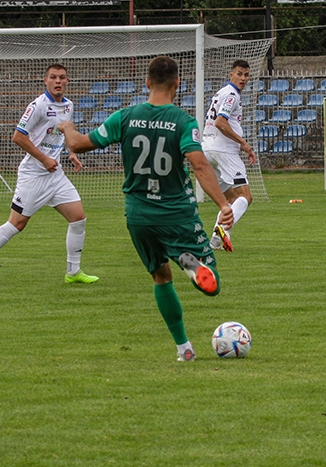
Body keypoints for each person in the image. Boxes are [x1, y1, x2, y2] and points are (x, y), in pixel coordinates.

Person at [58, 55, 234, 362]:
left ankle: (184, 349)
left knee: (160, 276)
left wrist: (67, 127)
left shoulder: (125, 117)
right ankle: (191, 264)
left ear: (146, 82)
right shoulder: (182, 121)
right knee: (213, 286)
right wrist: (222, 203)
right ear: (177, 84)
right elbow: (199, 164)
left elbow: (79, 144)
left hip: (138, 215)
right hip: (176, 213)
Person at [0, 64, 98, 287]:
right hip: (34, 175)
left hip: (55, 175)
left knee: (78, 218)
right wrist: (44, 159)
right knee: (16, 224)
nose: (58, 81)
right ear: (45, 81)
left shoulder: (68, 106)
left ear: (67, 81)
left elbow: (64, 134)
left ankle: (73, 272)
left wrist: (72, 153)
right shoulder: (38, 105)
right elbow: (18, 136)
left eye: (62, 78)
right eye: (53, 77)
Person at [202, 59, 255, 253]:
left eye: (246, 75)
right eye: (239, 74)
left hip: (208, 151)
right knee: (245, 196)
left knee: (231, 200)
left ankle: (216, 241)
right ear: (230, 74)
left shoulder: (221, 92)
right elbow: (220, 122)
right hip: (224, 151)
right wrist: (243, 143)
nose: (243, 78)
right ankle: (220, 231)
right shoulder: (232, 95)